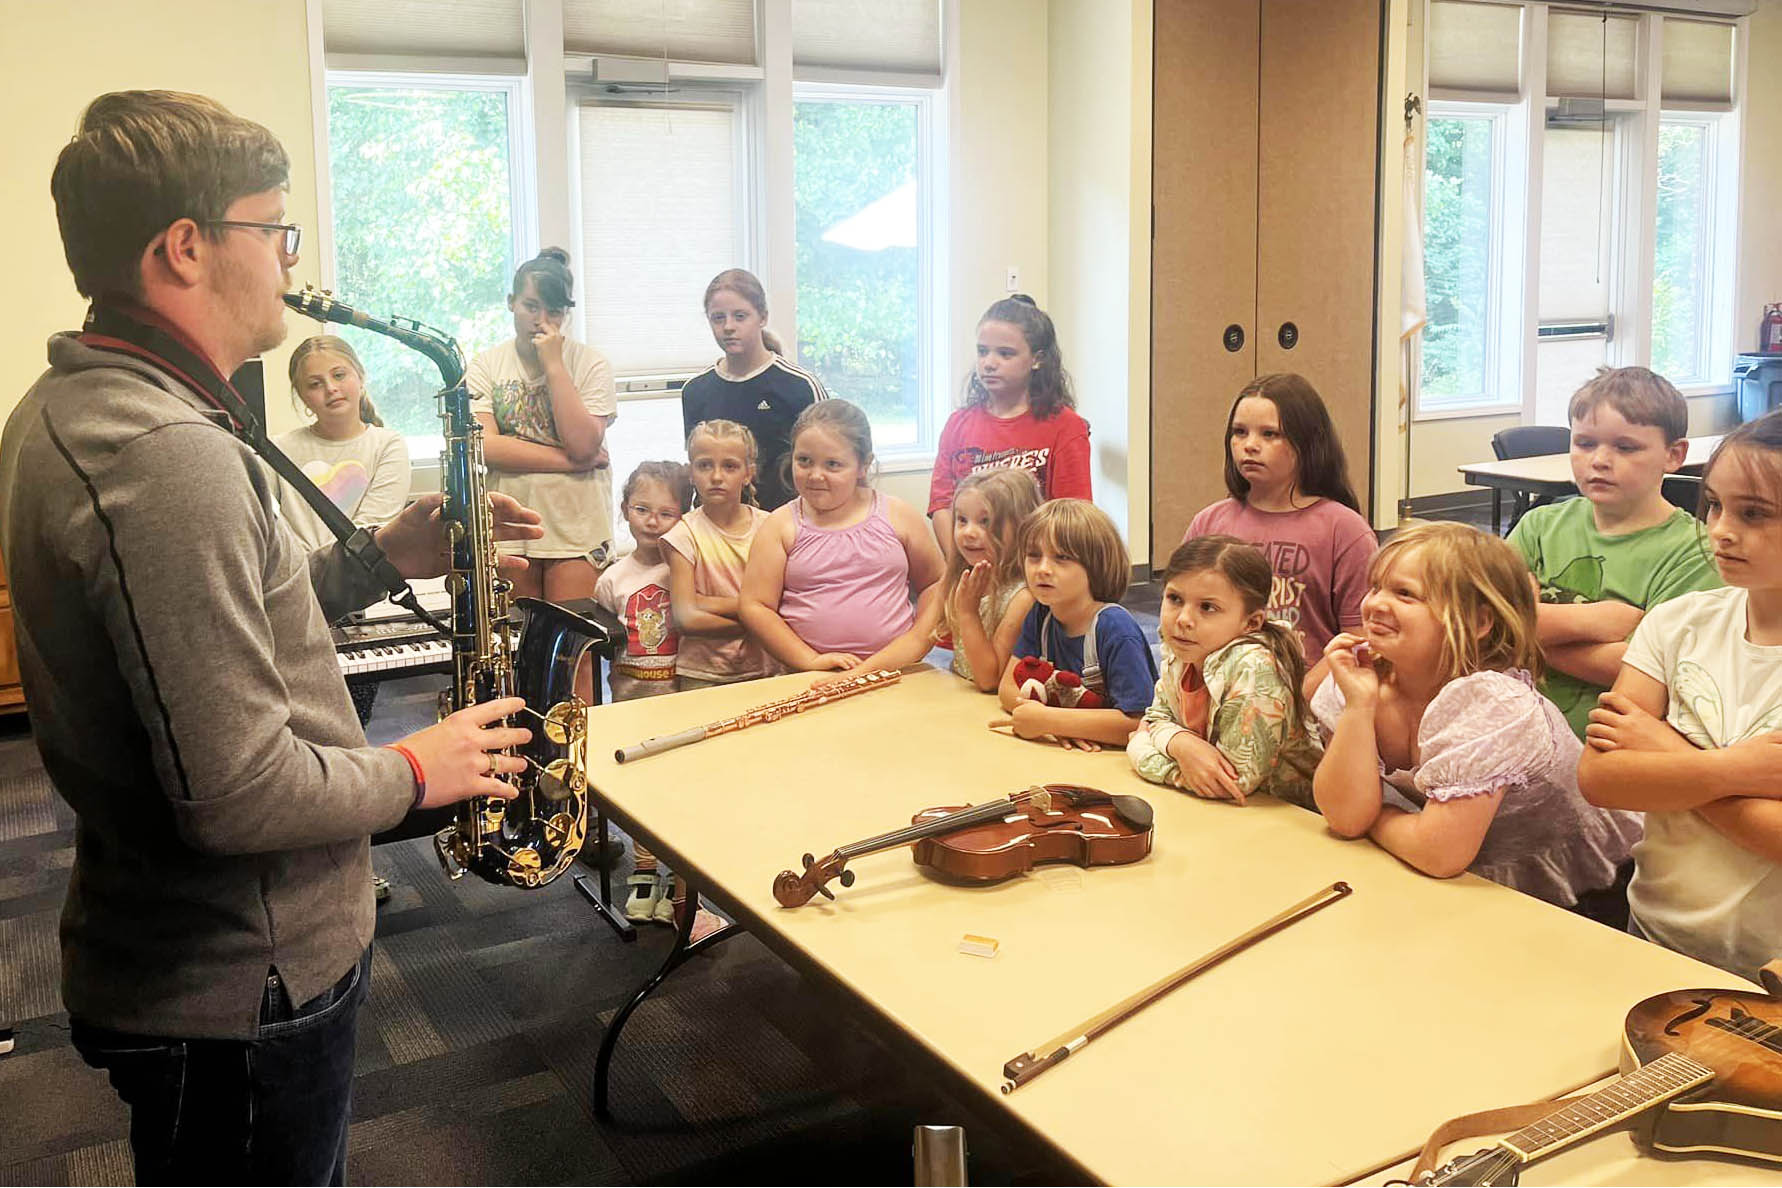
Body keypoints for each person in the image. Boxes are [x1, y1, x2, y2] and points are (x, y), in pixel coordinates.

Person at [0, 90, 541, 1185]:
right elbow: (237, 793)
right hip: (244, 980)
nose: (291, 262)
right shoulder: (160, 453)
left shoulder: (78, 404)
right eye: (276, 230)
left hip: (186, 958)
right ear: (188, 246)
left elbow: (231, 615)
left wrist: (384, 553)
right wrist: (415, 769)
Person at [1311, 522, 1640, 914]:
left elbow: (1438, 853)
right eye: (1376, 587)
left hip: (1592, 889)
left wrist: (1376, 817)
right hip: (1464, 880)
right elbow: (1345, 817)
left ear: (1478, 622)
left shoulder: (1493, 705)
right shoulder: (1359, 676)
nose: (1376, 604)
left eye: (1405, 594)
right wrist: (1359, 708)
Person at [1578, 413, 1782, 981]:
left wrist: (1667, 755)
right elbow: (1601, 778)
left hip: (1769, 966)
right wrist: (1739, 770)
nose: (1720, 529)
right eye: (1714, 505)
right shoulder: (1679, 623)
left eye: (1755, 514)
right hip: (1654, 932)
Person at [1509, 366, 1720, 740]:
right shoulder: (1539, 525)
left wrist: (1524, 636)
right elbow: (1478, 616)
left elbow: (1651, 672)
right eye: (1585, 443)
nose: (1600, 460)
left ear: (1674, 454)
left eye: (1625, 447)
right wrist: (1594, 622)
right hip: (1512, 730)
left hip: (1607, 748)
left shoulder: (1696, 553)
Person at [1183, 373, 1376, 692]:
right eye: (1239, 432)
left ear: (1307, 443)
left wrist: (1298, 701)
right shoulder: (1208, 523)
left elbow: (1359, 639)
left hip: (1309, 702)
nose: (1249, 446)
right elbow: (1183, 622)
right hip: (1223, 696)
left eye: (1269, 434)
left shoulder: (1344, 530)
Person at [741, 400, 946, 678]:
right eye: (804, 461)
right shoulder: (779, 525)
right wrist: (810, 659)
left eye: (833, 464)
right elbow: (756, 606)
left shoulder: (898, 515)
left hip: (898, 671)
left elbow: (935, 582)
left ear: (863, 465)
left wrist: (918, 640)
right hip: (811, 678)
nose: (815, 474)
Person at [468, 247, 617, 609]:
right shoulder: (485, 365)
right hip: (512, 528)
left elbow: (582, 444)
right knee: (520, 648)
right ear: (511, 302)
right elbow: (485, 447)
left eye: (554, 311)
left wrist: (553, 364)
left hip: (577, 530)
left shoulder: (591, 364)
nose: (542, 320)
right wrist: (570, 463)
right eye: (531, 306)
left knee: (574, 651)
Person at [1128, 536, 1321, 809]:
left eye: (1207, 607)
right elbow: (1156, 717)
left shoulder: (1255, 668)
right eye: (1174, 599)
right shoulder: (1182, 648)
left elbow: (1232, 783)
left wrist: (1139, 747)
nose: (1183, 619)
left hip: (1287, 817)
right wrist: (1179, 742)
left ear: (1251, 622)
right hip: (1225, 813)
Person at [596, 460, 692, 924]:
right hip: (630, 701)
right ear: (625, 511)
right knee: (638, 789)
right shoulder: (612, 579)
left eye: (666, 513)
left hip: (678, 698)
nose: (653, 522)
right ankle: (645, 868)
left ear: (684, 515)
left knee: (677, 787)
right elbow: (603, 641)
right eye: (642, 509)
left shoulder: (686, 573)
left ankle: (678, 871)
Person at [928, 295, 1092, 561]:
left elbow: (1070, 515)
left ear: (1037, 359)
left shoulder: (1065, 426)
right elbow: (942, 504)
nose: (989, 363)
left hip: (1035, 568)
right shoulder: (957, 424)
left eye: (1005, 353)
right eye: (983, 351)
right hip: (970, 566)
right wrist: (962, 563)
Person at [994, 499, 1158, 750]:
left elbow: (1138, 723)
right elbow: (1007, 687)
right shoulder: (1041, 613)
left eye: (1062, 558)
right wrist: (1050, 722)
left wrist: (1051, 720)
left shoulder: (1115, 628)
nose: (1043, 569)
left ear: (1096, 565)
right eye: (1034, 556)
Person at [679, 268, 827, 511]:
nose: (728, 327)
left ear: (762, 317)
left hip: (786, 526)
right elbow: (699, 466)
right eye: (718, 318)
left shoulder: (799, 386)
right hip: (720, 530)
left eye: (740, 316)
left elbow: (826, 464)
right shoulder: (695, 391)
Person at [662, 420, 780, 691]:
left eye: (729, 466)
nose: (716, 476)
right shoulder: (683, 534)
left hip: (767, 669)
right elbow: (687, 618)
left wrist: (706, 602)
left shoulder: (772, 527)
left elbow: (784, 601)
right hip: (704, 675)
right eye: (705, 465)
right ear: (691, 472)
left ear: (748, 473)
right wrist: (758, 618)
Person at [273, 335, 410, 553]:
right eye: (315, 384)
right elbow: (267, 531)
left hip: (361, 583)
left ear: (360, 376)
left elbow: (369, 538)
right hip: (296, 581)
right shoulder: (277, 450)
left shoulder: (388, 446)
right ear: (302, 395)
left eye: (339, 375)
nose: (330, 388)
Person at [935, 468, 1041, 691]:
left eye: (985, 522)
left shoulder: (1023, 597)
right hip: (962, 694)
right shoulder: (958, 578)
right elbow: (919, 638)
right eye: (962, 520)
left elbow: (990, 680)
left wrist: (967, 612)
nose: (968, 532)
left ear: (1022, 526)